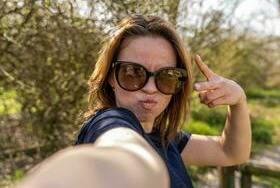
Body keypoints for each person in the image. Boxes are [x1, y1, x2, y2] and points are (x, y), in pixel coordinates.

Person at [16, 14, 251, 188]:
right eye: (132, 72)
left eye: (166, 77)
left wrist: (238, 100)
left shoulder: (165, 138)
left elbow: (230, 152)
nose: (150, 89)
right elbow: (122, 155)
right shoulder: (109, 122)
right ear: (110, 77)